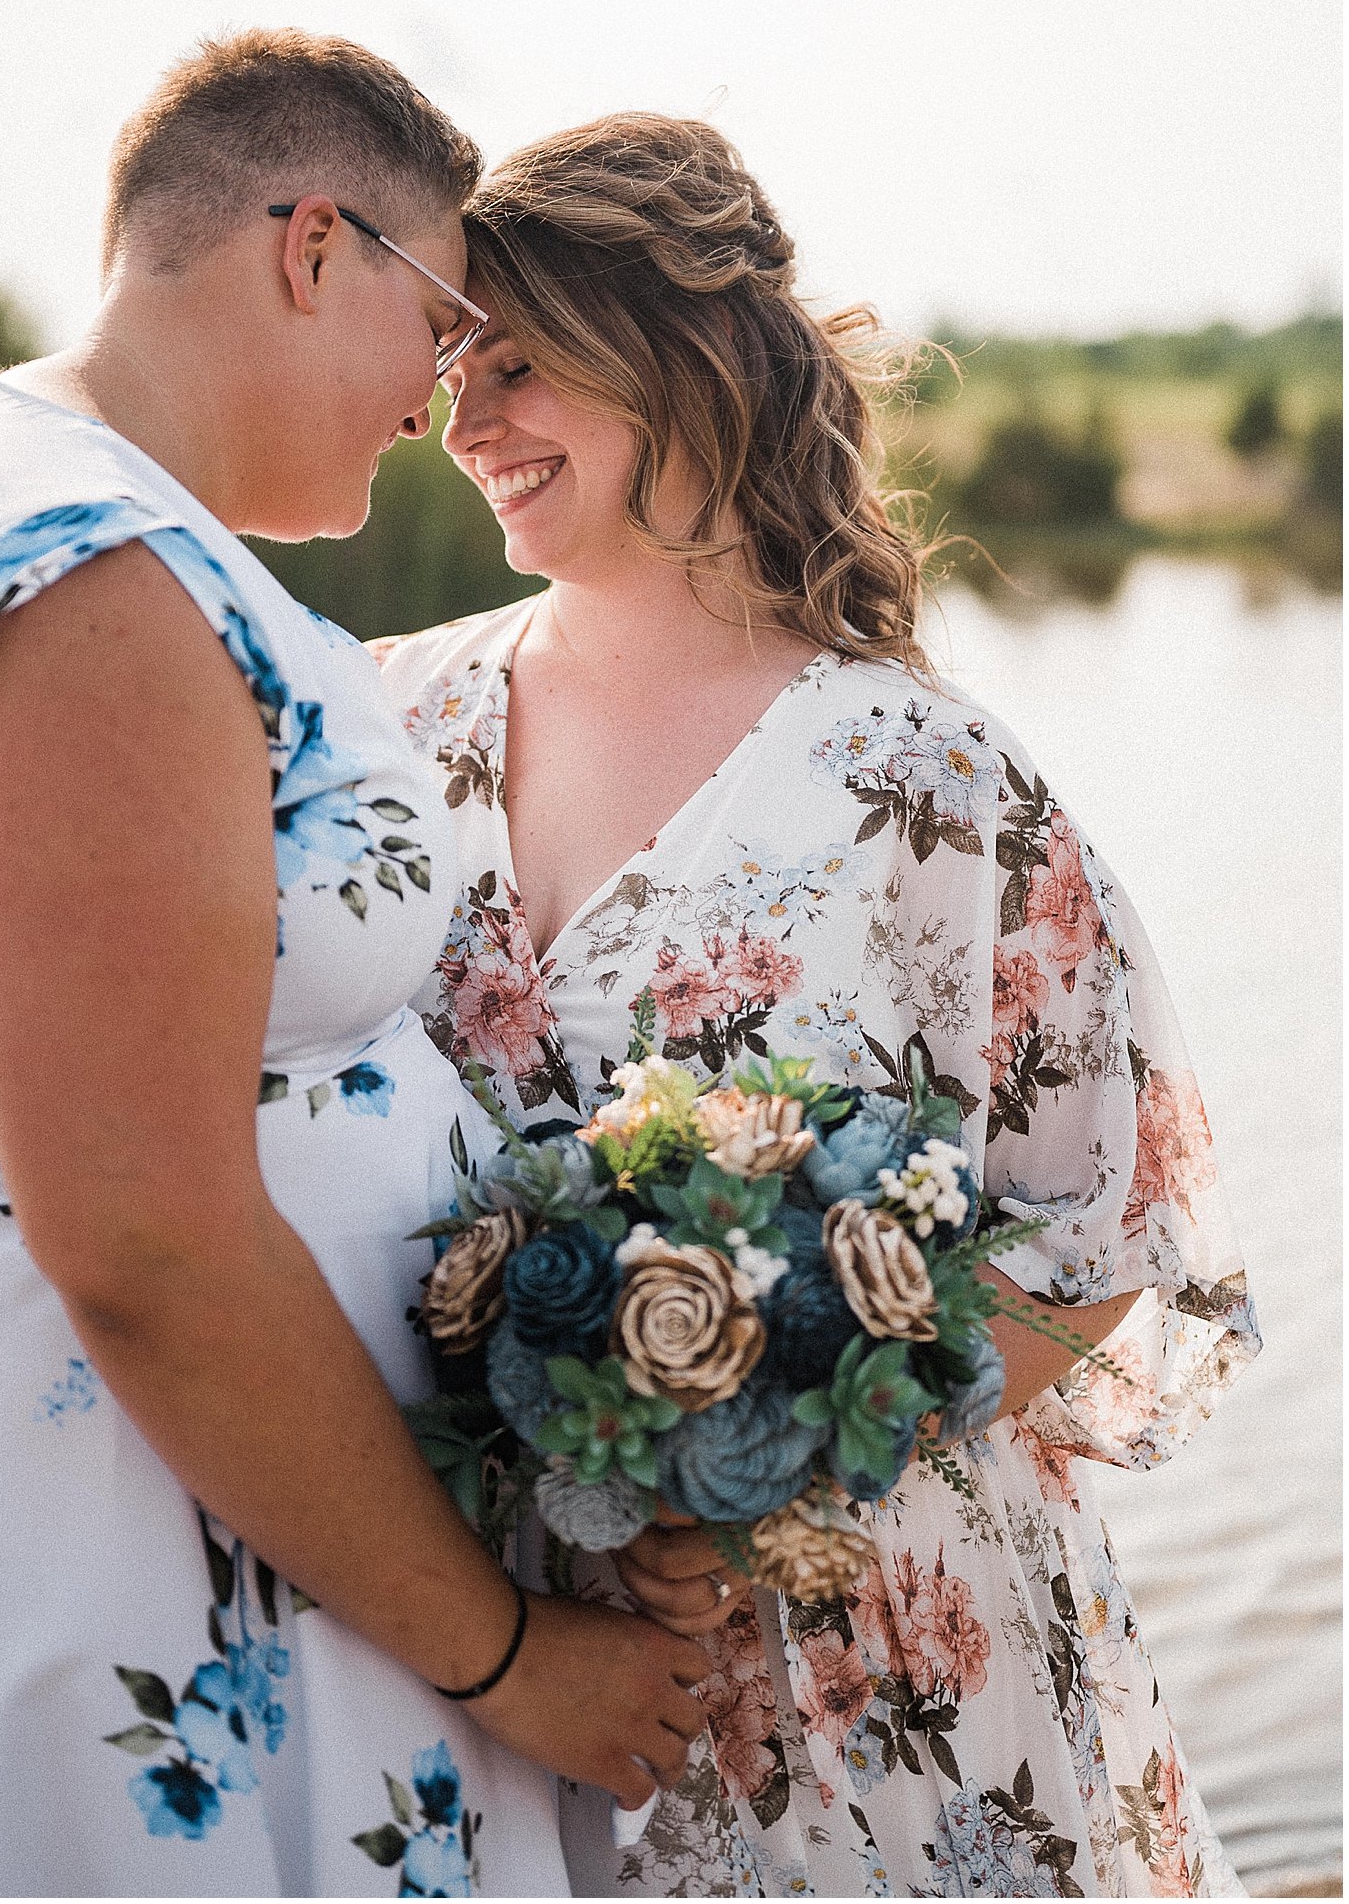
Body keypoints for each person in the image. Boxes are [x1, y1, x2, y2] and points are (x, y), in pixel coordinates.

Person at [0, 39, 710, 1898]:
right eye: (445, 320)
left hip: (202, 1522)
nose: (444, 397)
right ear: (313, 247)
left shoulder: (86, 516)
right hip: (120, 1557)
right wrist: (501, 1654)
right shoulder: (77, 567)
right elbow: (142, 1231)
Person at [373, 114, 1262, 1900]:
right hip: (489, 1661)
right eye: (449, 364)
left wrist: (761, 1449)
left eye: (521, 362)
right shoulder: (386, 730)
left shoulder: (918, 783)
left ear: (679, 362)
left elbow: (1102, 1234)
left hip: (880, 1668)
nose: (464, 424)